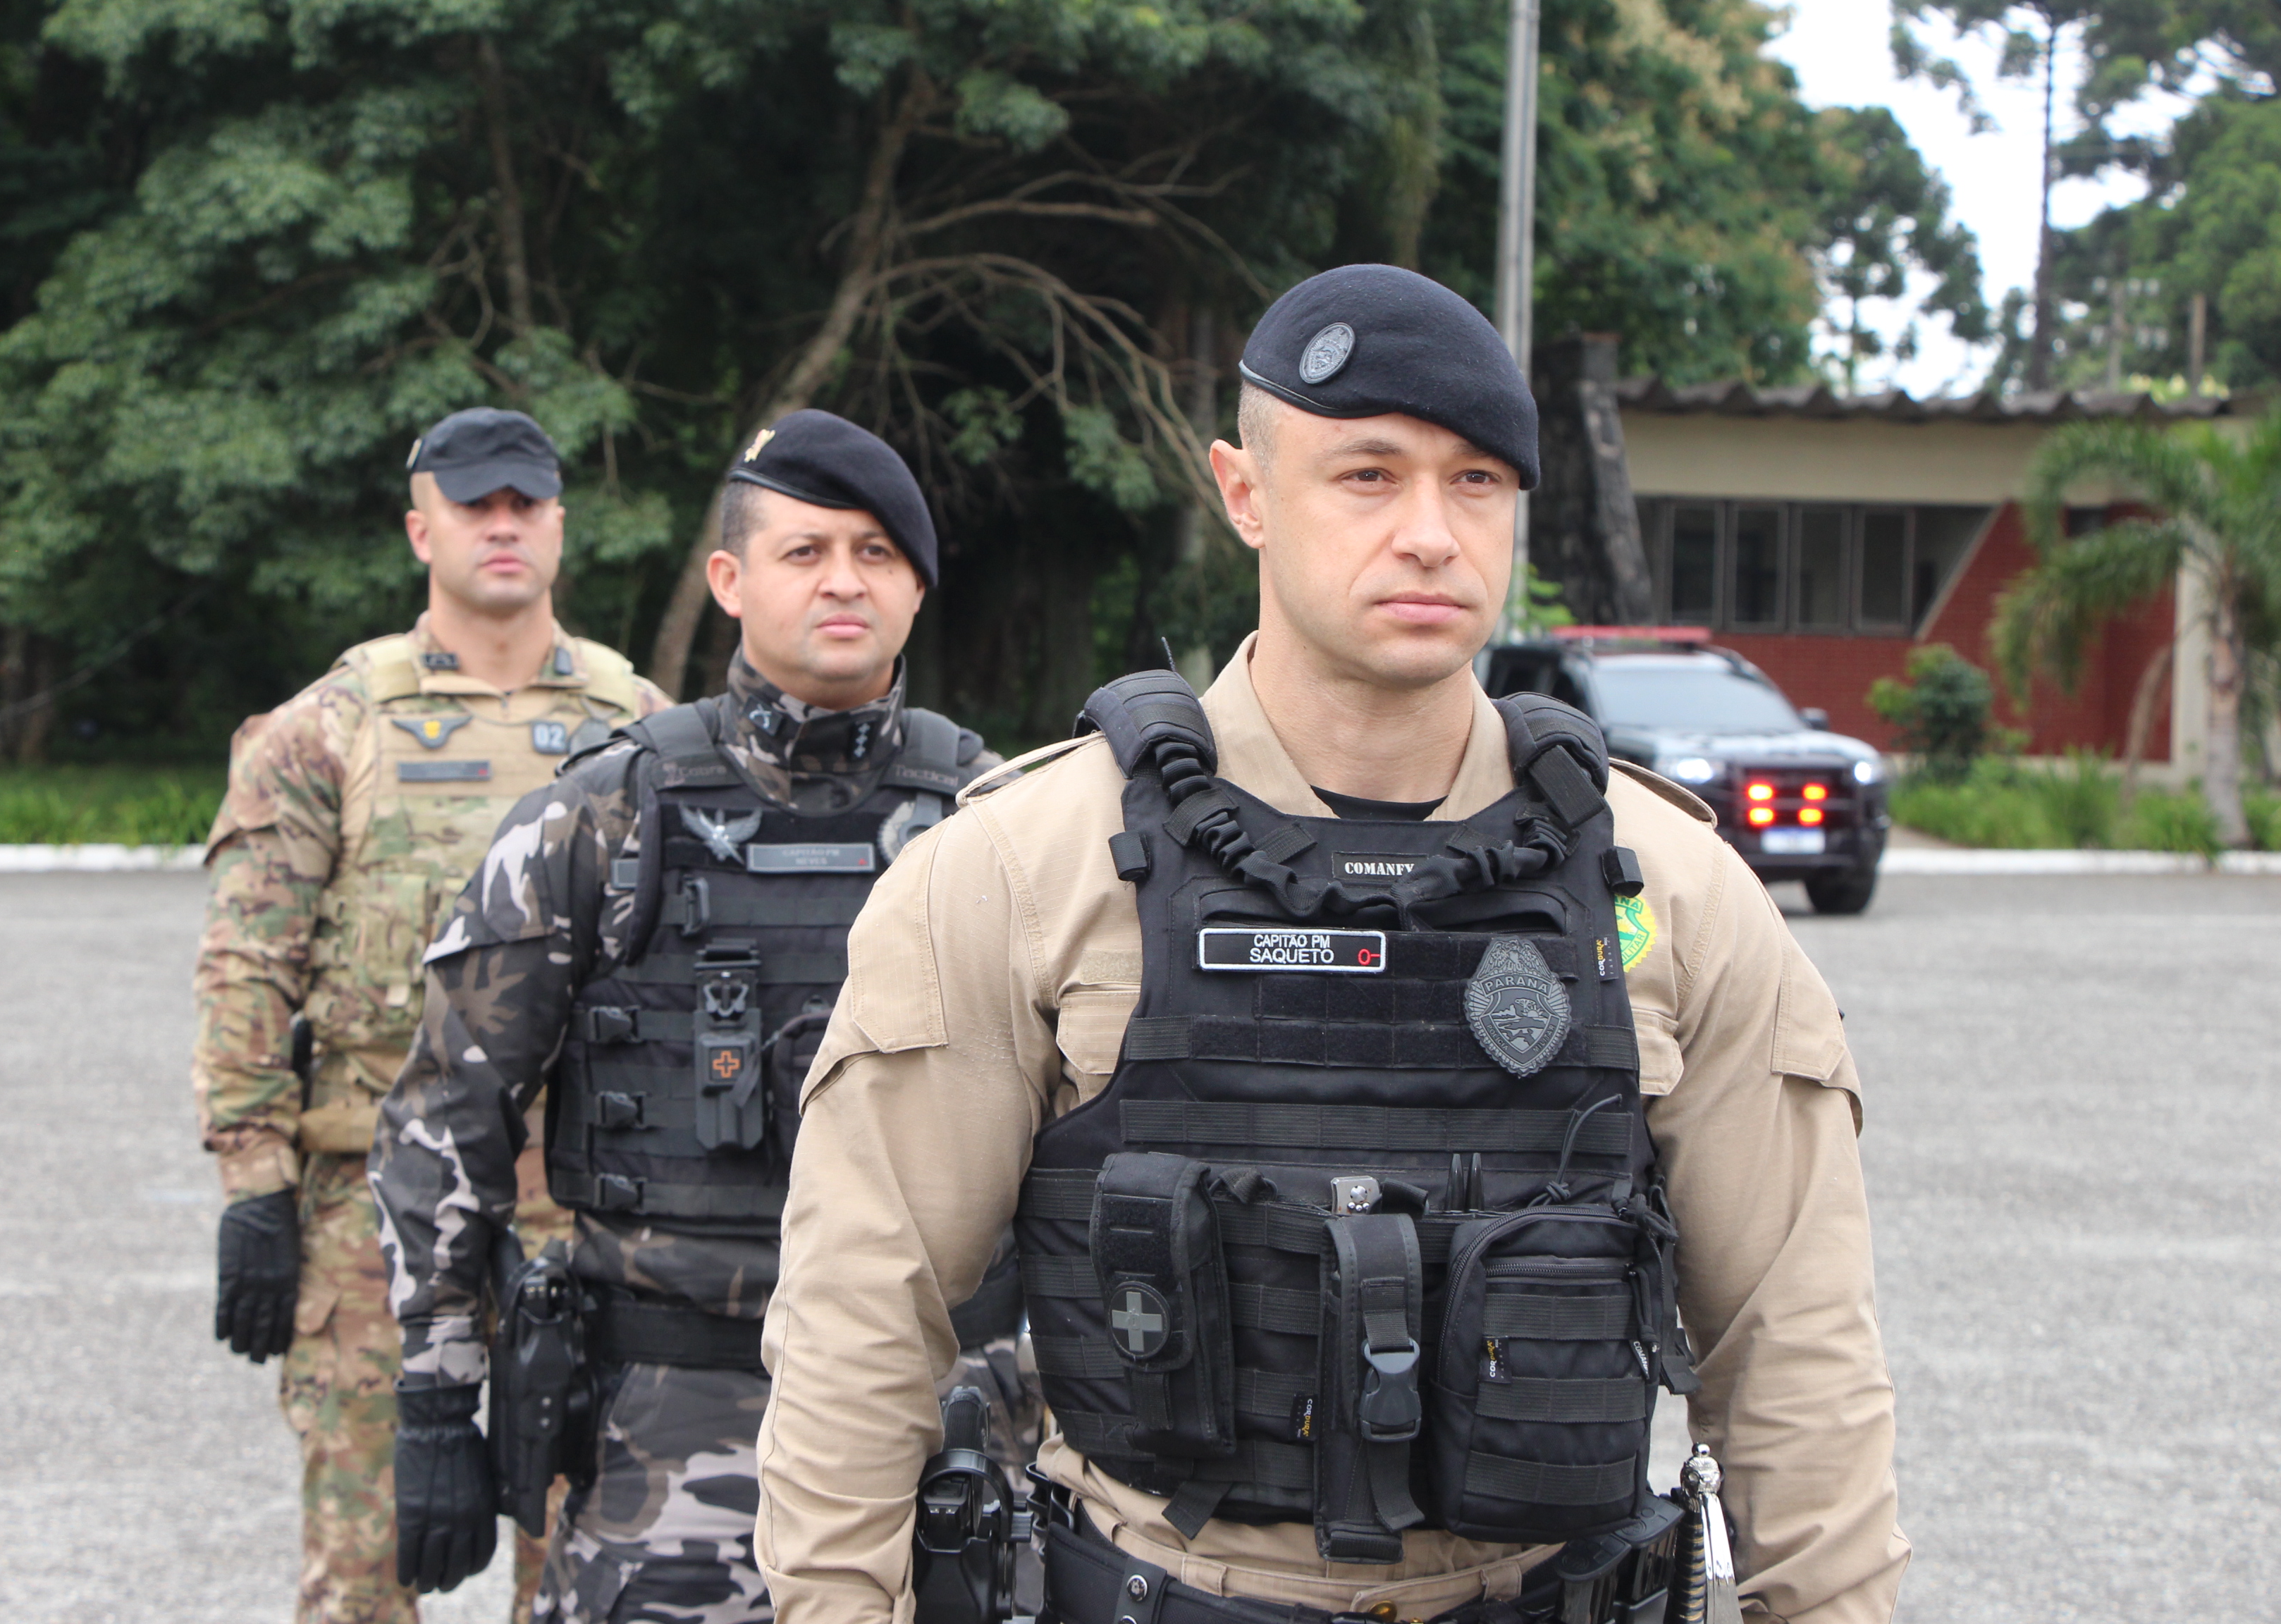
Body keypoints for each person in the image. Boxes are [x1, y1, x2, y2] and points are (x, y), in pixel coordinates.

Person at [754, 265, 1911, 1624]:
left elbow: (1796, 1358)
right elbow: (860, 1324)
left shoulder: (1674, 891)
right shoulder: (1022, 870)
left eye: (1476, 483)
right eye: (1368, 476)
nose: (1430, 534)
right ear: (1245, 493)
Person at [370, 409, 1038, 1624]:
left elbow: (1103, 1128)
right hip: (670, 1427)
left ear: (919, 585)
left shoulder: (1006, 826)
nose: (844, 581)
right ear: (730, 580)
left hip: (948, 1419)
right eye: (805, 551)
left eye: (877, 553)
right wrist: (434, 1394)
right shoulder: (603, 820)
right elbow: (446, 1113)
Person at [194, 406, 667, 1624]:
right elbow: (248, 965)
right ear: (422, 531)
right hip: (374, 1214)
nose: (502, 524)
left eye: (525, 502)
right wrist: (254, 1181)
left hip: (589, 1202)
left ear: (560, 524)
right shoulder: (328, 727)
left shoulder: (640, 728)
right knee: (368, 1564)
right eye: (473, 504)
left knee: (593, 1566)